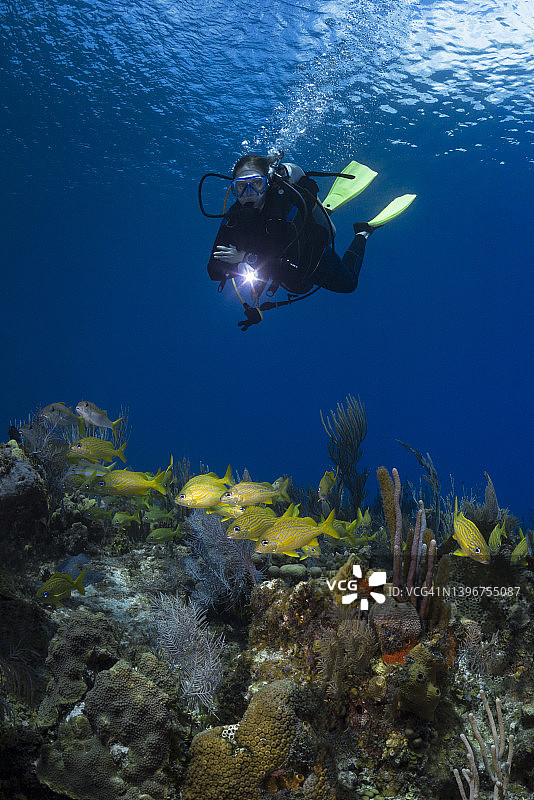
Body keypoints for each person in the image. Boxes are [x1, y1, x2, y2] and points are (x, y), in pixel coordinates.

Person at [204, 152, 415, 329]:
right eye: (241, 187)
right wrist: (251, 262)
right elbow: (213, 269)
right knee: (288, 279)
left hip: (312, 256)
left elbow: (296, 266)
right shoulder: (234, 217)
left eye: (256, 184)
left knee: (349, 284)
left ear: (267, 185)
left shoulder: (283, 206)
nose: (249, 194)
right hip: (279, 269)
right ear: (233, 189)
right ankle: (324, 211)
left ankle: (363, 232)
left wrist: (244, 258)